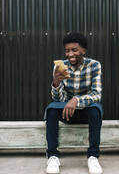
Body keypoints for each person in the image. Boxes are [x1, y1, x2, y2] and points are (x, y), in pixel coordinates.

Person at [45, 32, 103, 174]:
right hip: (67, 113)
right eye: (67, 50)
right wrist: (56, 83)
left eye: (74, 50)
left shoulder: (94, 65)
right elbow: (58, 99)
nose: (70, 54)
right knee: (51, 110)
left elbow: (96, 94)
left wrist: (76, 100)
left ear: (83, 50)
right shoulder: (60, 67)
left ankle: (93, 157)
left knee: (96, 110)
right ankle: (53, 156)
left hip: (85, 112)